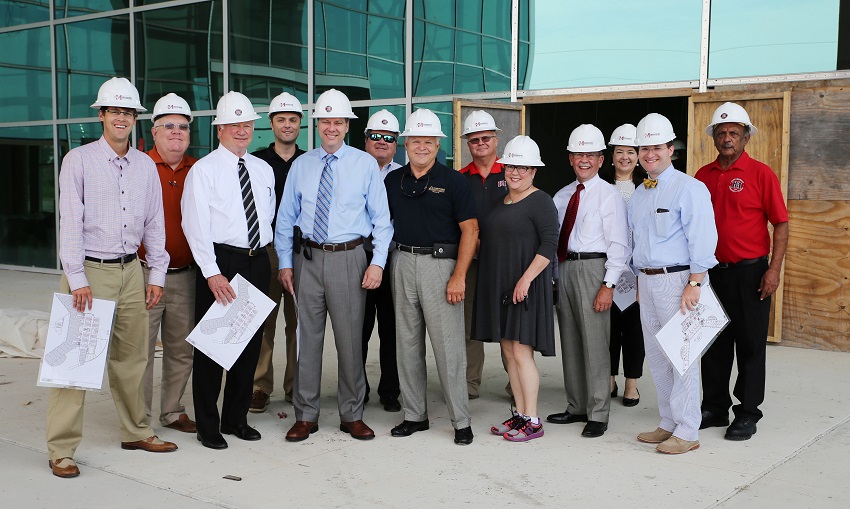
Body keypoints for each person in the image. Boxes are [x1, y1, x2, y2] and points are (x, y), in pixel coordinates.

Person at [48, 77, 177, 478]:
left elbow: (155, 223)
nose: (121, 118)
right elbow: (70, 223)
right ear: (102, 115)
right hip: (89, 272)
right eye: (114, 111)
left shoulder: (144, 165)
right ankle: (61, 449)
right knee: (75, 363)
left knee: (133, 358)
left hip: (131, 272)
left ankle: (137, 430)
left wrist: (156, 273)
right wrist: (76, 277)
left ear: (135, 118)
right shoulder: (79, 160)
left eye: (128, 112)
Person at [276, 89, 392, 442]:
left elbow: (382, 222)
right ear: (318, 124)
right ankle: (305, 415)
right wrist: (285, 263)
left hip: (350, 259)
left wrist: (378, 264)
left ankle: (351, 413)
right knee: (306, 341)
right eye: (325, 121)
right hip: (308, 259)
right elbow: (285, 219)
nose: (331, 127)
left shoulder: (364, 164)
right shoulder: (302, 164)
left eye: (337, 121)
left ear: (346, 126)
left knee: (349, 340)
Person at [181, 91, 275, 450]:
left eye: (247, 124)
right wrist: (212, 271)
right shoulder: (204, 171)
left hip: (256, 260)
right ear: (219, 128)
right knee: (212, 348)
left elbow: (266, 216)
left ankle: (236, 418)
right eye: (234, 124)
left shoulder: (263, 169)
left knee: (249, 344)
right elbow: (195, 225)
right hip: (221, 262)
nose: (242, 130)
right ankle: (208, 425)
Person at [696, 102, 789, 441]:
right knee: (714, 343)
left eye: (734, 132)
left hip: (751, 274)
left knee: (750, 345)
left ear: (746, 137)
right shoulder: (702, 176)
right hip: (711, 275)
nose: (727, 138)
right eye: (721, 133)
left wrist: (773, 270)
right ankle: (715, 407)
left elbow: (780, 224)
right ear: (714, 138)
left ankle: (748, 412)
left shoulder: (762, 174)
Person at [385, 109, 477, 446]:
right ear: (405, 144)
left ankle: (461, 421)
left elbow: (470, 231)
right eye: (416, 141)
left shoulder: (454, 181)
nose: (422, 146)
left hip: (441, 267)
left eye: (429, 141)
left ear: (438, 145)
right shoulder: (392, 181)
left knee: (449, 347)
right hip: (401, 262)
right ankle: (414, 415)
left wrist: (458, 276)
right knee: (406, 345)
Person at [628, 113, 718, 455]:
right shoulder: (639, 194)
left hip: (679, 280)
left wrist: (696, 282)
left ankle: (688, 428)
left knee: (683, 355)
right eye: (644, 148)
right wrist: (637, 279)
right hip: (647, 281)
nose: (649, 153)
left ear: (670, 149)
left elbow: (703, 237)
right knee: (657, 355)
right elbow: (640, 241)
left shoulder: (690, 188)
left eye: (656, 147)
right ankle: (668, 421)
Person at [472, 135, 558, 442]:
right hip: (500, 286)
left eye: (523, 168)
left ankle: (533, 420)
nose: (515, 172)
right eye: (511, 166)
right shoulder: (500, 202)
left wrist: (525, 279)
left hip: (526, 287)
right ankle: (521, 415)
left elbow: (549, 245)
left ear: (534, 171)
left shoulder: (541, 201)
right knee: (508, 351)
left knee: (522, 352)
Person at [546, 124, 630, 438]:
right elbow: (552, 239)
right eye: (579, 154)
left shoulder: (609, 196)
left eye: (591, 155)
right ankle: (576, 406)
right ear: (570, 158)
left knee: (595, 343)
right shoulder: (562, 195)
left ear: (600, 159)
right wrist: (553, 277)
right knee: (569, 339)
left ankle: (598, 412)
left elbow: (620, 245)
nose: (584, 160)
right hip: (565, 268)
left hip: (595, 269)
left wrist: (608, 285)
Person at [139, 93, 198, 434]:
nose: (176, 132)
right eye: (169, 126)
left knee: (181, 349)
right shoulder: (139, 166)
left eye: (183, 126)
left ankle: (173, 411)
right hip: (146, 275)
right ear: (155, 131)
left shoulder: (198, 169)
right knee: (141, 351)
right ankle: (139, 418)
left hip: (186, 276)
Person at [249, 92, 305, 413]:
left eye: (293, 120)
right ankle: (259, 386)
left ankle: (297, 385)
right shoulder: (257, 162)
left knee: (299, 324)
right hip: (267, 251)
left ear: (300, 124)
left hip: (302, 252)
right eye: (281, 119)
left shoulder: (310, 161)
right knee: (263, 323)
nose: (287, 125)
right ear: (271, 124)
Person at [458, 110, 508, 400]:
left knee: (509, 328)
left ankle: (516, 385)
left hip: (506, 265)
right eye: (474, 139)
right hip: (473, 263)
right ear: (467, 143)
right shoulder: (460, 179)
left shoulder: (512, 172)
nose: (480, 143)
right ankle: (469, 384)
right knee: (469, 326)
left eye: (485, 137)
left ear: (496, 139)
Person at [599, 124, 646, 407]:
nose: (625, 157)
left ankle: (632, 383)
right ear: (611, 155)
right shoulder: (602, 186)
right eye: (620, 152)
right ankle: (609, 379)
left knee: (633, 329)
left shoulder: (647, 186)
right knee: (607, 327)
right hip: (605, 268)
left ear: (639, 155)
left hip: (637, 271)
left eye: (631, 152)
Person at [361, 109, 403, 412]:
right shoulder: (352, 169)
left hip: (392, 261)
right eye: (376, 136)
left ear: (396, 143)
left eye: (388, 138)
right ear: (366, 139)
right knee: (357, 330)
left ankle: (390, 390)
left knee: (392, 330)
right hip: (357, 257)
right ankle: (356, 389)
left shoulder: (403, 175)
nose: (382, 141)